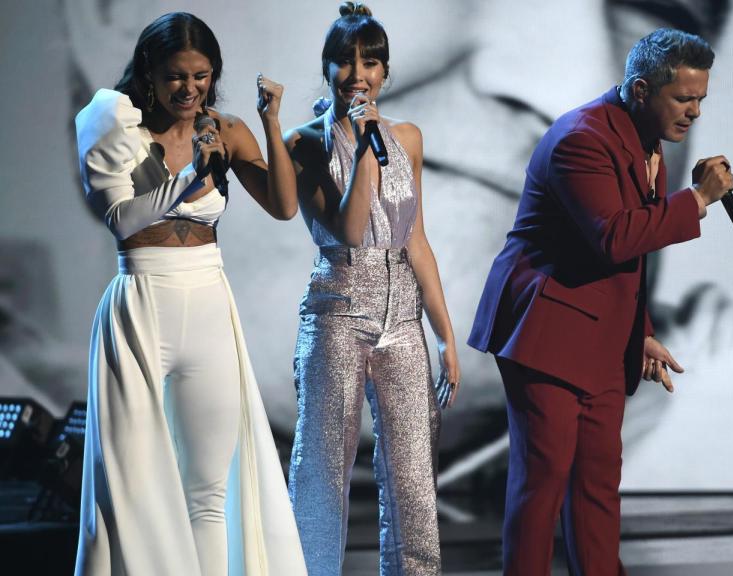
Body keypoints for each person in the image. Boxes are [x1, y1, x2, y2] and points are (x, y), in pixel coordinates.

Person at [469, 28, 733, 575]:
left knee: (597, 485)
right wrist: (699, 199)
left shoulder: (645, 136)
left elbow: (622, 264)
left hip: (601, 335)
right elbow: (614, 236)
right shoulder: (581, 139)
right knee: (542, 483)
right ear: (641, 90)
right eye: (684, 99)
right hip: (545, 331)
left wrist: (638, 330)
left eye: (701, 100)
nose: (694, 113)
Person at [73, 12, 306, 576]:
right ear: (149, 71)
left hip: (206, 302)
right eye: (177, 76)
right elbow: (121, 219)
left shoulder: (223, 132)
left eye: (201, 76)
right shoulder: (112, 121)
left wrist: (270, 123)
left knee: (208, 488)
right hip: (140, 307)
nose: (190, 88)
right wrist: (191, 177)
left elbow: (284, 205)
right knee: (129, 486)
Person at [284, 3, 461, 574]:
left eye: (371, 62)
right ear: (326, 68)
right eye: (345, 61)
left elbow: (417, 241)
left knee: (413, 478)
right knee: (323, 472)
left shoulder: (405, 138)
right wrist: (361, 148)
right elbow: (352, 229)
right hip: (338, 311)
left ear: (386, 72)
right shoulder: (304, 143)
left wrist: (445, 334)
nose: (358, 74)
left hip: (402, 317)